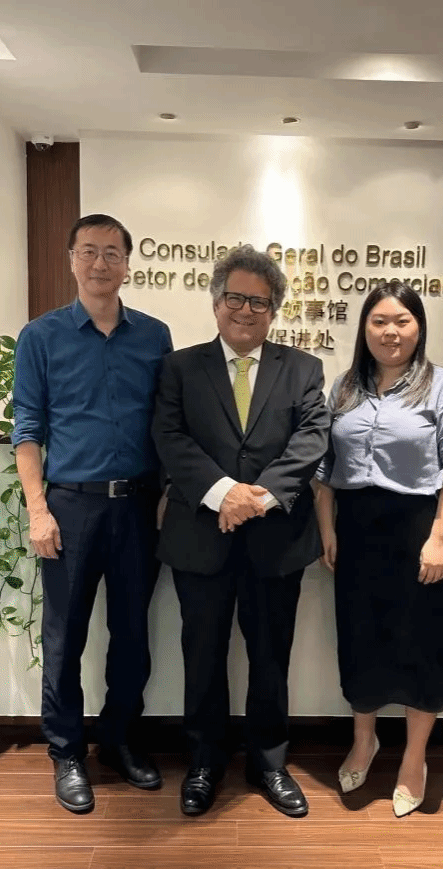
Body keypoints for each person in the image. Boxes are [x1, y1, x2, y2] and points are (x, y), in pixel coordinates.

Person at [152, 244, 329, 818]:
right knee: (202, 654)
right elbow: (170, 436)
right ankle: (204, 762)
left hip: (277, 541)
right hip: (200, 537)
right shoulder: (180, 367)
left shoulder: (303, 369)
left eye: (259, 301)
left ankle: (269, 762)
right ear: (216, 302)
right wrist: (223, 492)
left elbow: (311, 438)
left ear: (274, 310)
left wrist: (256, 499)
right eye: (236, 298)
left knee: (271, 656)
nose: (246, 310)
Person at [12, 213, 172, 814]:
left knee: (132, 634)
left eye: (111, 253)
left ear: (127, 264)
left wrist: (166, 494)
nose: (100, 263)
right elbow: (27, 429)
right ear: (72, 260)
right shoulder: (41, 336)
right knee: (64, 637)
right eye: (88, 251)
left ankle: (120, 740)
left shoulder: (154, 336)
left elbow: (168, 423)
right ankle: (67, 753)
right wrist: (38, 510)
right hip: (70, 508)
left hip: (138, 508)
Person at [313, 282, 443, 818]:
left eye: (402, 321)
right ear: (364, 328)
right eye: (379, 321)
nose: (391, 332)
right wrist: (327, 528)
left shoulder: (442, 386)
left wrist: (440, 538)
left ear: (419, 327)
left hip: (419, 531)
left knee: (421, 644)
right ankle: (364, 741)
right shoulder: (344, 388)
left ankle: (414, 757)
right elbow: (324, 468)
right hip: (357, 531)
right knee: (361, 640)